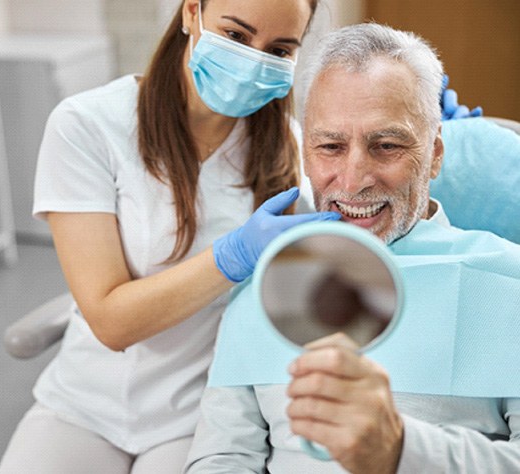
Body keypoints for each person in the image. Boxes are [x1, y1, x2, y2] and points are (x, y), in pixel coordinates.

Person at [0, 1, 344, 472]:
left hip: (200, 414)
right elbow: (111, 322)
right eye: (237, 36)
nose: (254, 61)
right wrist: (232, 256)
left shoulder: (289, 149)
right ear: (191, 13)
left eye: (279, 49)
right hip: (83, 404)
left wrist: (430, 137)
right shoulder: (88, 125)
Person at [184, 23, 520, 473]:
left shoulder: (508, 284)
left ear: (435, 153)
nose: (354, 179)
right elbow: (221, 456)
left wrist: (400, 450)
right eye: (330, 146)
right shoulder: (264, 285)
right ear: (306, 153)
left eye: (386, 145)